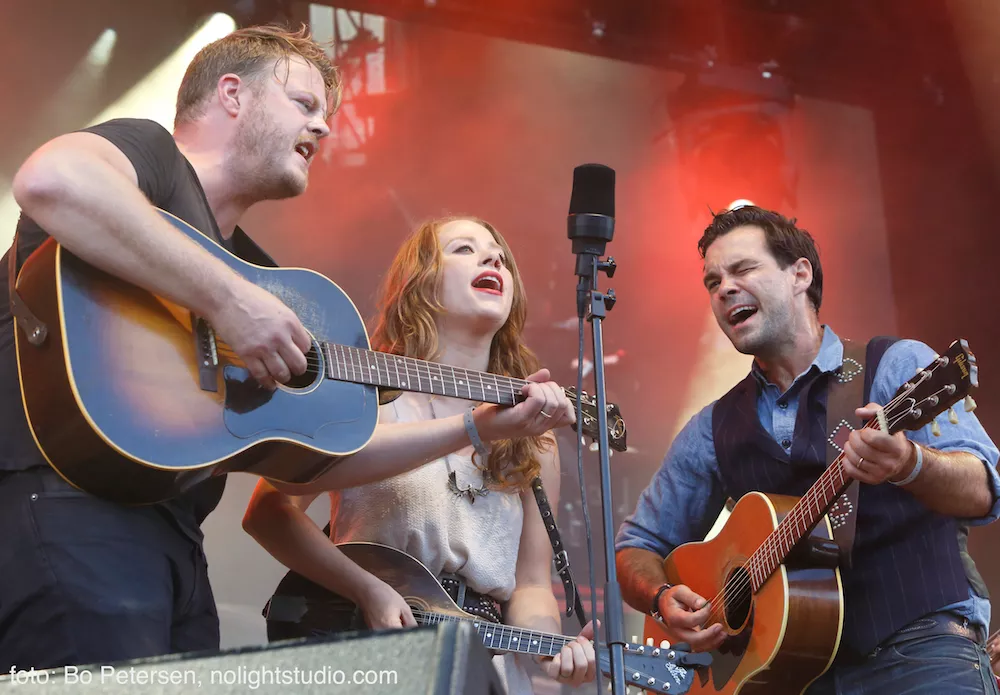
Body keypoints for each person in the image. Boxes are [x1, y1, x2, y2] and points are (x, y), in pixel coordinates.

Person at [0, 26, 572, 672]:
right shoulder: (154, 157)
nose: (323, 128)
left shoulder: (250, 273)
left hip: (172, 541)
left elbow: (314, 464)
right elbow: (52, 179)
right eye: (303, 105)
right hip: (71, 501)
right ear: (232, 94)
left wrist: (473, 423)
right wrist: (226, 302)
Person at [614, 204, 1000, 694]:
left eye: (743, 269)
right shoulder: (710, 429)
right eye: (713, 282)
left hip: (921, 653)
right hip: (789, 679)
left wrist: (909, 464)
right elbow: (636, 548)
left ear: (800, 274)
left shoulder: (897, 364)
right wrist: (662, 596)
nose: (725, 288)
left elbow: (985, 489)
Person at [243, 216, 598, 693]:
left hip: (480, 665)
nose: (492, 258)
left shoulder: (533, 436)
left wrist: (548, 650)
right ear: (421, 284)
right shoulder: (370, 402)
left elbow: (531, 583)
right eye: (464, 249)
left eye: (498, 255)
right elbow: (268, 510)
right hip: (368, 651)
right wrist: (365, 589)